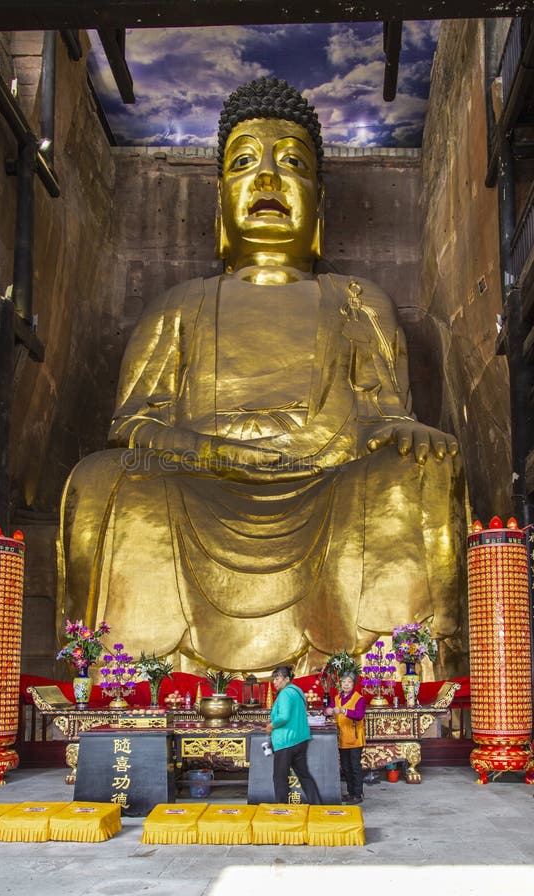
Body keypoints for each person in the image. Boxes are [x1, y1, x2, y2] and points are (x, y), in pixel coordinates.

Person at [57, 76, 466, 675]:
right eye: (245, 163)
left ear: (319, 204)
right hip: (198, 478)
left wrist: (403, 430)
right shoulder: (181, 304)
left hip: (329, 476)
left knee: (422, 471)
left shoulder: (356, 300)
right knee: (100, 478)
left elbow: (383, 414)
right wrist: (212, 453)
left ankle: (393, 674)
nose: (269, 179)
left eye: (293, 163)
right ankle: (132, 678)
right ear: (219, 201)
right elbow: (132, 424)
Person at [267, 665, 322, 804]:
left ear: (286, 679)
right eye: (274, 679)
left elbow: (284, 716)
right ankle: (317, 805)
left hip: (286, 741)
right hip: (300, 739)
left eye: (277, 678)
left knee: (280, 778)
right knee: (304, 775)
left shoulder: (285, 693)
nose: (274, 682)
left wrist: (271, 725)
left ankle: (282, 808)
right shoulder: (297, 691)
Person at [326, 672, 366, 803]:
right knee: (346, 768)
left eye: (349, 682)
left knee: (355, 767)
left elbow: (359, 715)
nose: (346, 685)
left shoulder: (358, 698)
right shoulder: (337, 698)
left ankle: (358, 795)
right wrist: (328, 711)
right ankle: (350, 793)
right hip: (342, 739)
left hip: (355, 739)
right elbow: (328, 709)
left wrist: (343, 711)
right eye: (343, 682)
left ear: (353, 684)